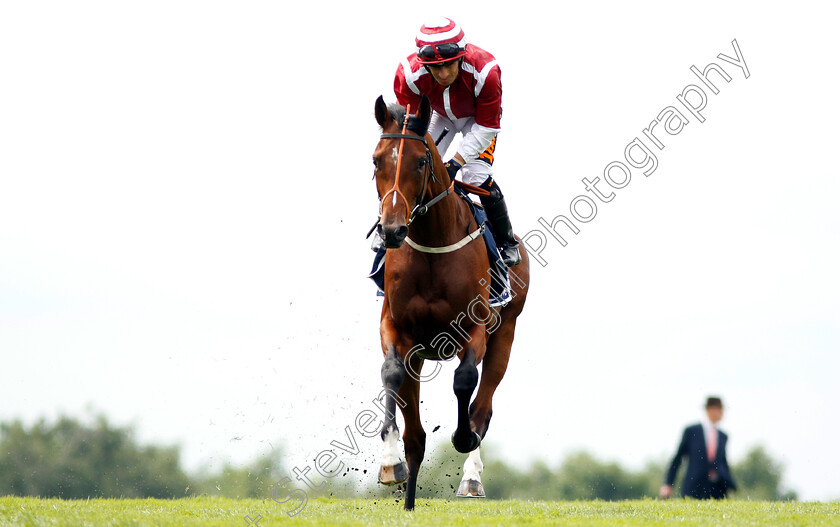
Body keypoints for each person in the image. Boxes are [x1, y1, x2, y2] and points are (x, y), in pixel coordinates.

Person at [393, 17, 521, 266]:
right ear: (423, 63)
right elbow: (410, 127)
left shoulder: (486, 71)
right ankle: (385, 225)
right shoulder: (408, 74)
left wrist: (455, 164)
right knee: (407, 165)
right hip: (440, 114)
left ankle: (508, 243)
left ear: (461, 56)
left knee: (475, 175)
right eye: (434, 67)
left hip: (477, 120)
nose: (442, 74)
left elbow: (488, 127)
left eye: (449, 65)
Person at [660, 396, 737, 499]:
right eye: (720, 409)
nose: (722, 413)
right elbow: (678, 458)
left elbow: (723, 463)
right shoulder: (692, 432)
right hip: (694, 487)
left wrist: (729, 482)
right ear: (711, 410)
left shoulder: (723, 436)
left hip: (717, 489)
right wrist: (668, 483)